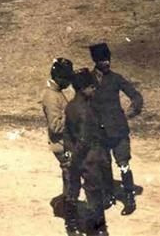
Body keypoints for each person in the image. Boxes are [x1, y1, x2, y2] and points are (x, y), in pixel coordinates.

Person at [89, 42, 143, 215]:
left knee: (123, 164)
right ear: (95, 61)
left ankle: (129, 199)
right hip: (99, 132)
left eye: (108, 59)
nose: (106, 63)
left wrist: (133, 110)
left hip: (118, 131)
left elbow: (135, 95)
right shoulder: (87, 80)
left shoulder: (116, 78)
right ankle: (109, 196)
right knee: (104, 165)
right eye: (102, 60)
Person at [64, 69, 110, 236]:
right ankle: (98, 230)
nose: (94, 89)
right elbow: (84, 141)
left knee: (72, 190)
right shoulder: (86, 110)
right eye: (92, 87)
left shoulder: (70, 106)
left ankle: (71, 225)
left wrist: (69, 155)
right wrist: (76, 159)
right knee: (94, 193)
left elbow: (67, 133)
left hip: (74, 157)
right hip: (88, 158)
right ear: (83, 89)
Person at [41, 57, 74, 221]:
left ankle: (66, 205)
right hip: (62, 146)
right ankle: (67, 209)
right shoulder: (51, 97)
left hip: (65, 144)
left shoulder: (56, 93)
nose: (69, 83)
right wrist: (73, 117)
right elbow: (55, 127)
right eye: (67, 79)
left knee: (70, 173)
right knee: (70, 173)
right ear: (59, 78)